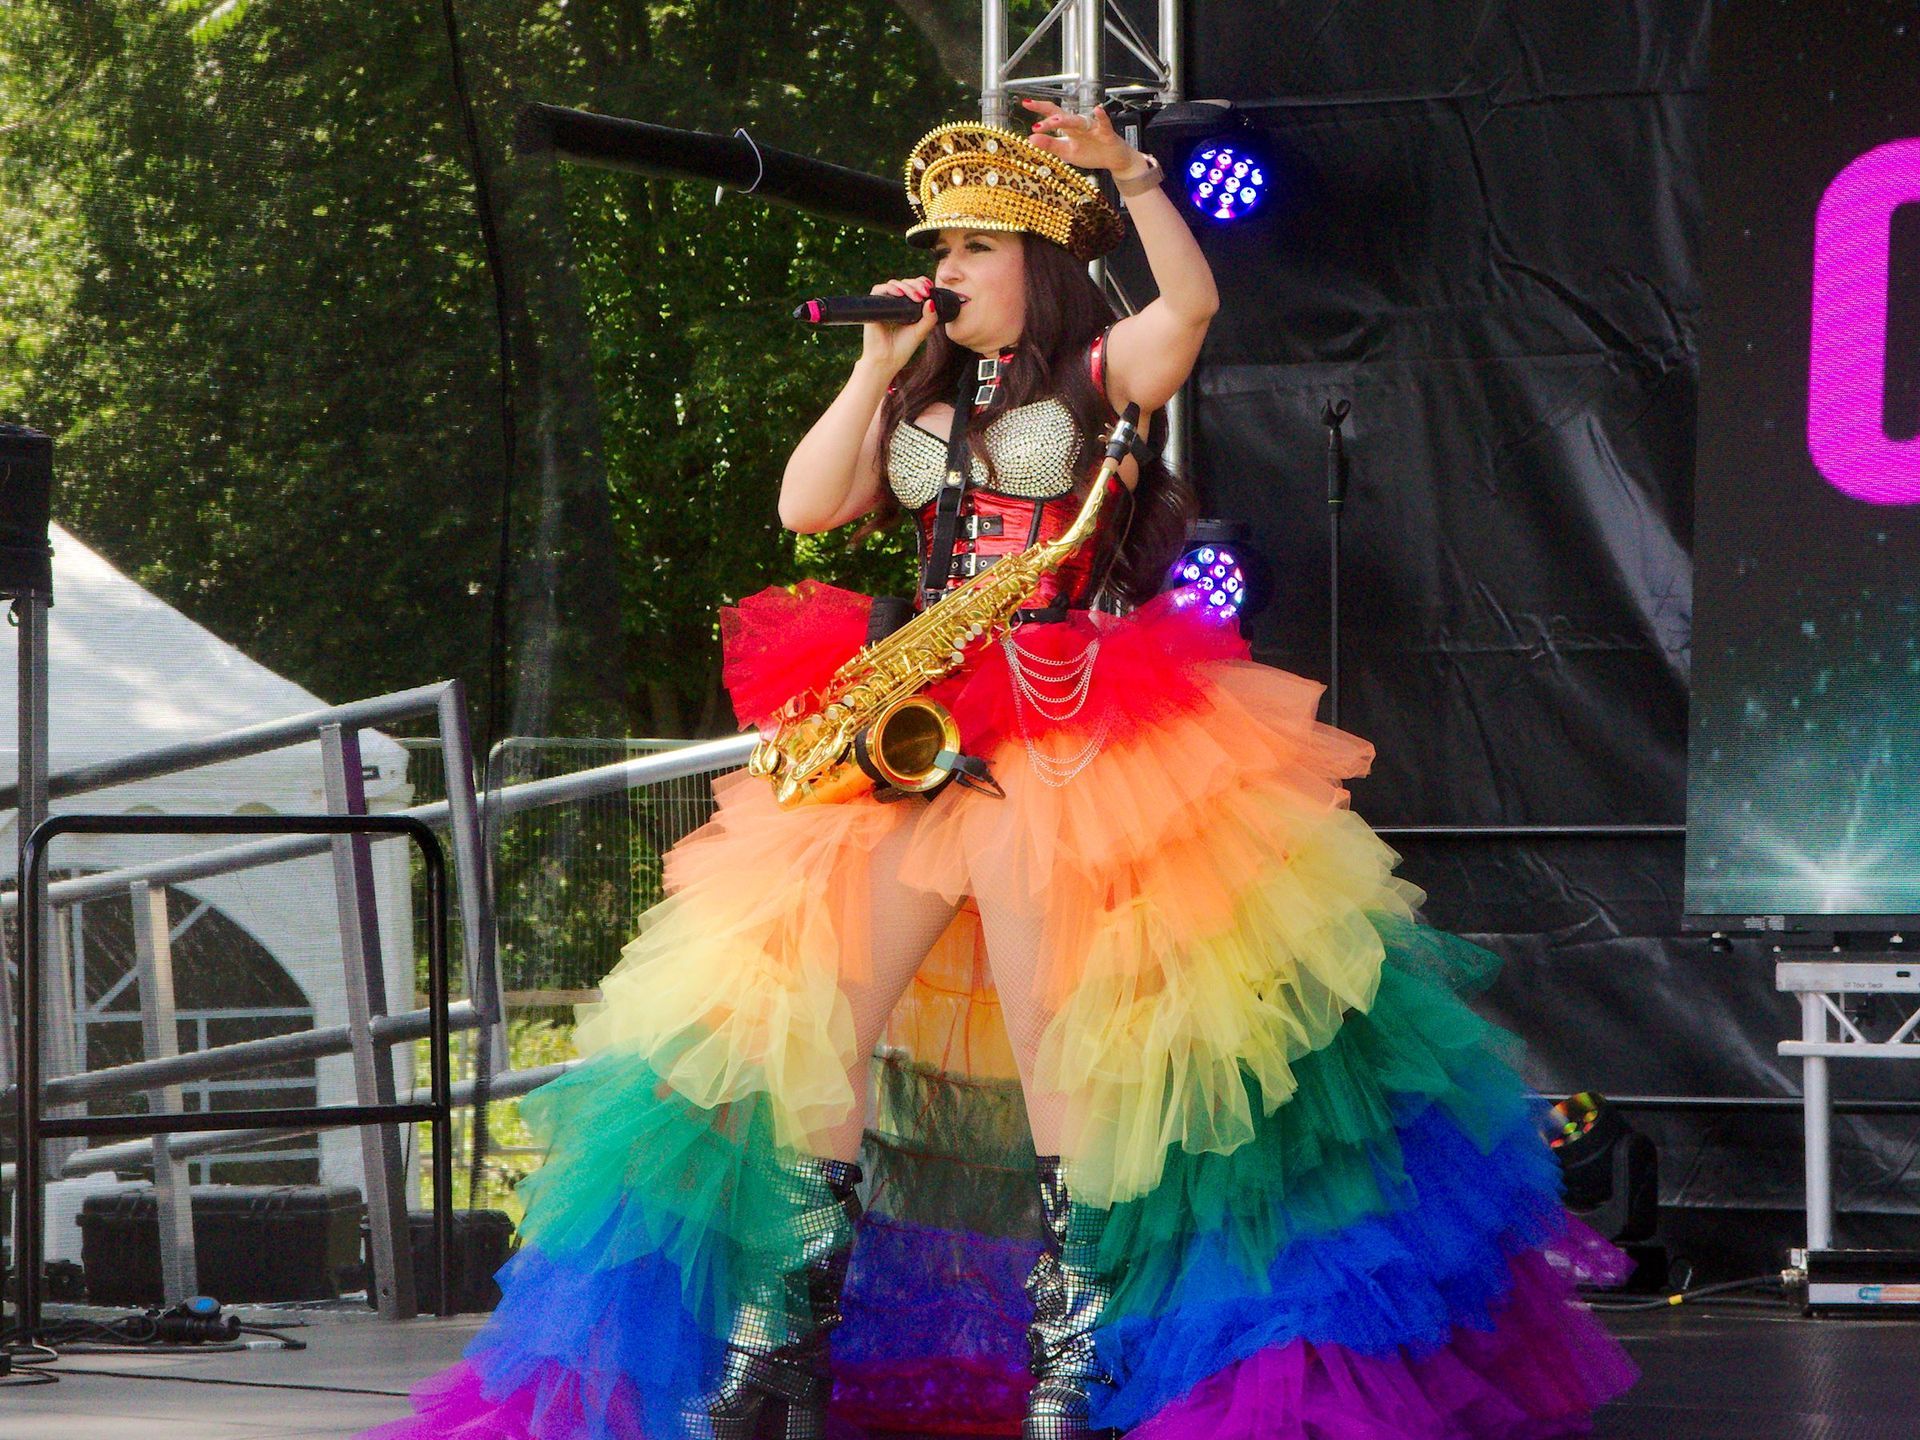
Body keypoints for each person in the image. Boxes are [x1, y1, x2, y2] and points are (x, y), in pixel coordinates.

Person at [366, 101, 1637, 1440]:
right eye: (940, 245)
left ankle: (1073, 1360)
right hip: (915, 739)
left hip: (1070, 729)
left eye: (976, 245)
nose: (949, 266)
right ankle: (785, 1344)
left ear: (1037, 260)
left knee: (1059, 1050)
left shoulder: (1096, 366)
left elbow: (1191, 310)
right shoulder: (917, 384)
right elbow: (808, 508)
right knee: (811, 1018)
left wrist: (1137, 182)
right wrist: (875, 364)